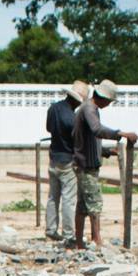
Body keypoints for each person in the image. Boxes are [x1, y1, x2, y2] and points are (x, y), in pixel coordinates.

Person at [71, 79, 138, 249]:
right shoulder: (89, 109)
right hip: (85, 165)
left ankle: (80, 242)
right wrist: (121, 133)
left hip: (85, 163)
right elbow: (97, 130)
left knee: (83, 206)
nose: (108, 104)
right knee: (94, 203)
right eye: (109, 101)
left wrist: (107, 151)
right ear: (102, 97)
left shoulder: (89, 109)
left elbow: (91, 140)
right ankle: (96, 239)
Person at [43, 80, 86, 240]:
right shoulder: (73, 118)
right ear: (76, 100)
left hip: (53, 157)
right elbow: (78, 142)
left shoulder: (53, 108)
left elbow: (48, 128)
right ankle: (69, 234)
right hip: (68, 160)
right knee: (68, 199)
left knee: (53, 197)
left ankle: (50, 230)